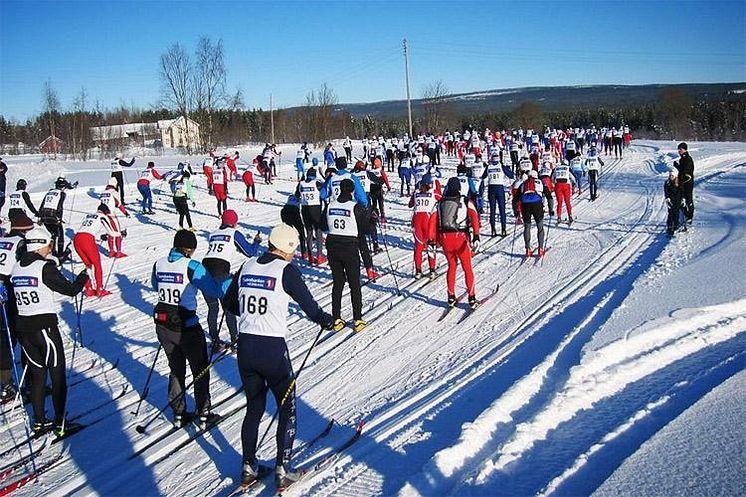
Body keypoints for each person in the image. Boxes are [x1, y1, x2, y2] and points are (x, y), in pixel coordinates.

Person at [224, 224, 333, 488]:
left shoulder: (248, 265)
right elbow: (309, 306)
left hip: (246, 347)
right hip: (271, 349)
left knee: (254, 406)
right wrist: (326, 320)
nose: (294, 255)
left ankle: (249, 466)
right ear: (287, 248)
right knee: (287, 405)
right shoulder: (285, 270)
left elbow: (229, 303)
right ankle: (283, 468)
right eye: (293, 249)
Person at [10, 226, 89, 436]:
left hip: (23, 328)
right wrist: (83, 277)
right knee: (57, 375)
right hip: (44, 328)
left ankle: (39, 422)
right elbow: (70, 290)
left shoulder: (17, 267)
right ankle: (60, 424)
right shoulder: (44, 267)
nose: (50, 249)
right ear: (42, 245)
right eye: (49, 246)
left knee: (38, 376)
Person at [151, 230, 229, 429]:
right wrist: (229, 281)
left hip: (163, 326)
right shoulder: (191, 266)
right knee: (200, 370)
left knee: (176, 368)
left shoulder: (158, 263)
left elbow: (155, 285)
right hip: (187, 328)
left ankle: (178, 413)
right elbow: (214, 290)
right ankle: (203, 414)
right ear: (190, 249)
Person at [202, 210, 261, 354]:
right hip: (220, 271)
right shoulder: (234, 233)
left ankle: (215, 341)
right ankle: (235, 340)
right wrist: (257, 242)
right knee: (228, 308)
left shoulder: (213, 233)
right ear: (234, 222)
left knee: (212, 308)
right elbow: (249, 252)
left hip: (204, 271)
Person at [323, 179, 369, 332]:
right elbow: (364, 230)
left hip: (333, 245)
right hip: (349, 246)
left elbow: (322, 225)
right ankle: (357, 319)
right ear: (352, 191)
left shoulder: (330, 205)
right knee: (354, 284)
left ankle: (336, 318)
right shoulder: (355, 207)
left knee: (338, 282)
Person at [430, 177, 480, 310]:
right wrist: (476, 235)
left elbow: (432, 221)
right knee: (467, 267)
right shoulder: (464, 200)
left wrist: (432, 240)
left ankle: (451, 296)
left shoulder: (439, 203)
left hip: (445, 238)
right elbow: (474, 216)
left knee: (452, 266)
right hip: (461, 237)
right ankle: (472, 297)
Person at [0, 213, 34, 402]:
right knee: (24, 336)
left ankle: (5, 384)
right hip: (11, 294)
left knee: (4, 340)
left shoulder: (4, 239)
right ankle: (30, 383)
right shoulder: (22, 243)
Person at [73, 204, 121, 297]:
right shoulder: (103, 216)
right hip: (87, 239)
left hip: (77, 238)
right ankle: (100, 289)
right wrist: (120, 234)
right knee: (97, 264)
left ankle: (88, 288)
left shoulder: (89, 215)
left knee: (87, 265)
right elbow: (112, 233)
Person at [409, 174, 440, 280]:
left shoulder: (416, 193)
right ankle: (432, 271)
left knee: (418, 247)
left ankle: (418, 271)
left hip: (417, 221)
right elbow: (441, 198)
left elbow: (410, 204)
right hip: (428, 222)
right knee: (431, 245)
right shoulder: (433, 193)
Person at [38, 176, 77, 260]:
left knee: (53, 234)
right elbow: (60, 206)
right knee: (60, 234)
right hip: (53, 215)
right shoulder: (62, 193)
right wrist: (59, 218)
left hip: (44, 214)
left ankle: (52, 251)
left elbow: (43, 203)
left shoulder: (50, 191)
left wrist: (40, 217)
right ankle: (60, 254)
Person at [297, 167, 326, 264]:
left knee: (309, 232)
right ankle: (319, 255)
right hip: (315, 209)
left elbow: (297, 194)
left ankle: (310, 256)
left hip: (305, 209)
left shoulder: (301, 184)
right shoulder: (316, 183)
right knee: (318, 231)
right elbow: (323, 193)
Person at [482, 152, 513, 237]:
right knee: (502, 210)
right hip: (499, 188)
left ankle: (493, 230)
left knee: (492, 210)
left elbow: (483, 176)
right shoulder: (501, 166)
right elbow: (511, 175)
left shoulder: (489, 166)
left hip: (491, 188)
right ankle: (503, 229)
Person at [518, 170, 546, 257]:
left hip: (525, 205)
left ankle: (527, 248)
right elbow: (548, 195)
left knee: (527, 227)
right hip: (537, 204)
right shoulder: (540, 182)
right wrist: (551, 208)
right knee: (540, 226)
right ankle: (540, 248)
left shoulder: (523, 184)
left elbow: (516, 198)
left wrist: (516, 211)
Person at [280, 193, 307, 261]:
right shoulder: (301, 197)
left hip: (284, 211)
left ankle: (286, 250)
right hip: (294, 212)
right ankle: (304, 252)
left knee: (288, 232)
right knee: (301, 232)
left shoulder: (290, 196)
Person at [674, 142, 694, 224]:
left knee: (688, 200)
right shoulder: (682, 159)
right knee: (681, 200)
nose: (679, 151)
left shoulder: (688, 159)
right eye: (678, 149)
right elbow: (682, 170)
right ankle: (685, 215)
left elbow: (686, 171)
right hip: (682, 182)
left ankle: (690, 217)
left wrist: (678, 167)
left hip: (687, 182)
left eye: (680, 149)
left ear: (685, 150)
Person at [664, 169, 683, 236]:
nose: (671, 177)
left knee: (676, 213)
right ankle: (669, 227)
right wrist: (667, 198)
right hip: (670, 201)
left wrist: (683, 198)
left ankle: (676, 226)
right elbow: (666, 191)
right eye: (670, 175)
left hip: (677, 200)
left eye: (672, 175)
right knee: (670, 214)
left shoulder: (679, 182)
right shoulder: (667, 182)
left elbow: (682, 191)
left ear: (675, 175)